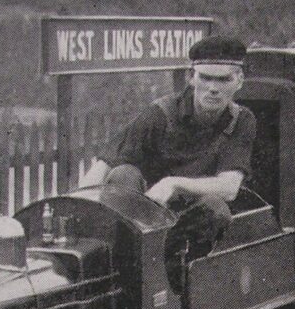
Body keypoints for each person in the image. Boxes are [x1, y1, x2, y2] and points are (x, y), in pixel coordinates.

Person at [80, 36, 256, 285]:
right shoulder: (161, 113)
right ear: (192, 77)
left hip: (188, 219)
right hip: (142, 217)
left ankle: (181, 288)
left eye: (223, 79)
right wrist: (75, 204)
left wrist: (174, 183)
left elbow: (229, 187)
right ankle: (122, 274)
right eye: (205, 77)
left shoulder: (241, 121)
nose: (213, 88)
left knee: (217, 210)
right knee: (123, 174)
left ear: (239, 81)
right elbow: (107, 163)